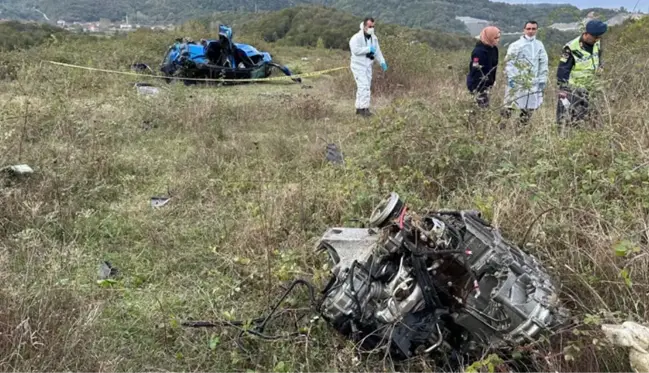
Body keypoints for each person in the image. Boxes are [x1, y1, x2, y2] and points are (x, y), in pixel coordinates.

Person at [556, 19, 607, 127]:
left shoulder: (597, 43)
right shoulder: (571, 48)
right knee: (567, 118)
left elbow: (598, 57)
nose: (597, 39)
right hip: (573, 89)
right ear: (587, 33)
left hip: (591, 86)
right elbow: (563, 70)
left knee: (588, 117)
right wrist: (563, 90)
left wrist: (600, 66)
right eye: (595, 37)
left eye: (599, 37)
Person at [502, 20, 548, 125]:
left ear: (537, 30)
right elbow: (509, 63)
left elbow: (543, 63)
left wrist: (542, 79)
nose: (531, 31)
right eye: (528, 29)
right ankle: (501, 127)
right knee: (511, 105)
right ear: (524, 30)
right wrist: (512, 78)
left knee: (529, 108)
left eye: (533, 29)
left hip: (533, 82)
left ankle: (521, 128)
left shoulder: (539, 45)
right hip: (517, 82)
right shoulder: (516, 45)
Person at [349, 17, 388, 117]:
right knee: (363, 86)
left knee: (365, 86)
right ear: (365, 26)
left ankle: (359, 108)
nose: (372, 28)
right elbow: (356, 51)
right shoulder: (356, 38)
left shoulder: (374, 38)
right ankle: (364, 109)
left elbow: (377, 52)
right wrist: (368, 49)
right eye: (370, 26)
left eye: (373, 26)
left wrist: (382, 62)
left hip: (368, 66)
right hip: (358, 66)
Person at [467, 26, 501, 108]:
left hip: (488, 83)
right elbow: (475, 69)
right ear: (489, 37)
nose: (498, 40)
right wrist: (478, 86)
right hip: (478, 84)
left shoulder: (494, 49)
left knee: (484, 106)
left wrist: (492, 80)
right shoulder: (478, 52)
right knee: (482, 107)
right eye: (495, 38)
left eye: (498, 38)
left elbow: (494, 66)